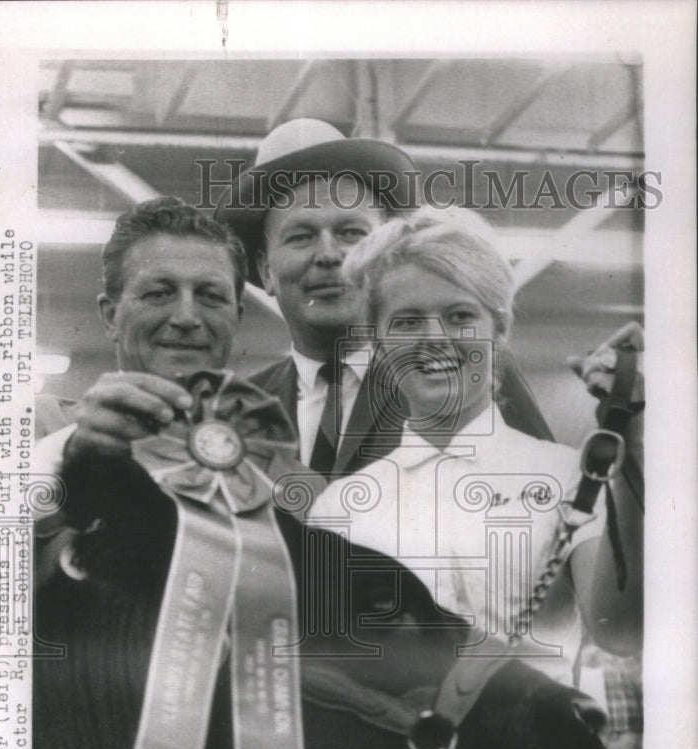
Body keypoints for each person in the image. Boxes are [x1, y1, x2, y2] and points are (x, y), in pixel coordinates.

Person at [306, 208, 645, 749]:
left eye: (459, 315)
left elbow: (623, 630)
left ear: (499, 331)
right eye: (406, 319)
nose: (434, 338)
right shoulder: (339, 505)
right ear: (377, 340)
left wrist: (636, 456)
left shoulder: (568, 474)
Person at [215, 118, 553, 479]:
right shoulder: (235, 410)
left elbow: (546, 507)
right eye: (300, 236)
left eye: (350, 232)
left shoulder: (467, 367)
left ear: (383, 253)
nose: (329, 255)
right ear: (266, 271)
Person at [35, 195, 247, 459]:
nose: (186, 317)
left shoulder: (274, 452)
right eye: (159, 294)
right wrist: (67, 449)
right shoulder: (37, 439)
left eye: (211, 296)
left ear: (237, 317)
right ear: (112, 317)